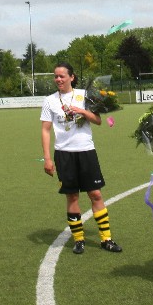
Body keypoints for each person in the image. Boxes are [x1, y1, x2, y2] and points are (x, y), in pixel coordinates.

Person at [40, 63, 122, 255]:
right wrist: (47, 158)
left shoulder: (85, 95)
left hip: (86, 151)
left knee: (96, 194)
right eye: (56, 76)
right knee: (72, 196)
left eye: (62, 76)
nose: (58, 79)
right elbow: (45, 130)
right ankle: (78, 240)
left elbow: (98, 120)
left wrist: (82, 111)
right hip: (63, 154)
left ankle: (106, 239)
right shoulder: (50, 101)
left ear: (72, 77)